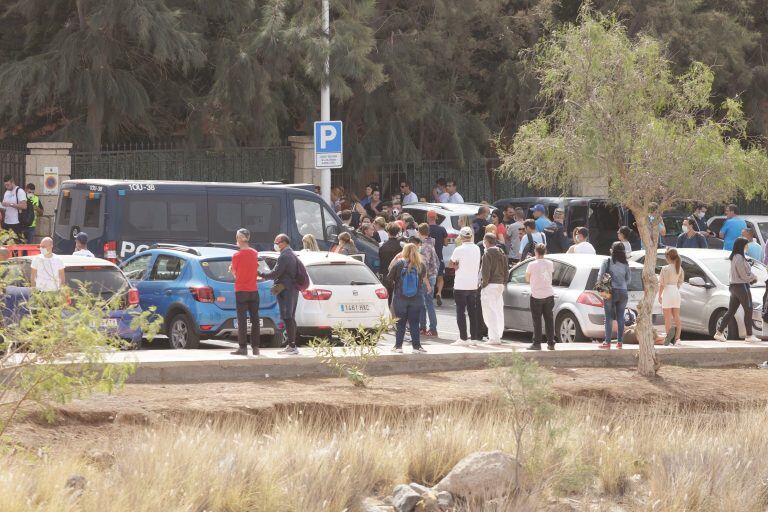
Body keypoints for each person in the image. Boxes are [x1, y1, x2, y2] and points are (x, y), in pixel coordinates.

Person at [259, 234, 301, 354]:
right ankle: (292, 345)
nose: (275, 245)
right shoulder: (291, 254)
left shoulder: (285, 256)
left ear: (284, 243)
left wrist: (261, 274)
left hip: (286, 290)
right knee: (290, 317)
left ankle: (292, 346)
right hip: (291, 289)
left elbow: (275, 273)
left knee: (288, 317)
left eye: (276, 243)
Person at [714, 237, 760, 343]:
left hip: (735, 287)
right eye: (746, 245)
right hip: (741, 286)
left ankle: (719, 333)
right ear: (741, 246)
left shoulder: (736, 257)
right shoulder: (739, 257)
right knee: (748, 309)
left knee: (731, 311)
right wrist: (753, 278)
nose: (747, 246)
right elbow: (743, 274)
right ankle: (749, 335)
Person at [387, 243, 429, 353]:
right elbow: (422, 279)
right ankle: (416, 346)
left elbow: (389, 278)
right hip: (416, 297)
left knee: (400, 323)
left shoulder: (399, 264)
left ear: (404, 252)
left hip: (400, 297)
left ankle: (398, 346)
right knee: (414, 323)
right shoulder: (421, 265)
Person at [229, 228, 261, 356]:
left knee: (242, 320)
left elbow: (235, 274)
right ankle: (256, 348)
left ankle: (243, 347)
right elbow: (255, 268)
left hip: (241, 290)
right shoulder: (254, 253)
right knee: (255, 319)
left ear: (238, 239)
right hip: (254, 290)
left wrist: (231, 268)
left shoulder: (236, 255)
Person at [448, 226, 481, 345]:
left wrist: (456, 265)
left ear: (461, 237)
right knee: (473, 312)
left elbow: (451, 264)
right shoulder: (477, 248)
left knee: (460, 312)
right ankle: (474, 338)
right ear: (471, 236)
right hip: (473, 284)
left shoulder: (459, 249)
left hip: (461, 284)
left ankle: (463, 338)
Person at [598, 242, 631, 349]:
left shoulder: (607, 261)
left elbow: (600, 276)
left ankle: (607, 342)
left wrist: (601, 288)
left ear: (612, 250)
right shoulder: (625, 264)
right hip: (623, 292)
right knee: (620, 317)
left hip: (610, 292)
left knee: (608, 317)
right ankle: (619, 342)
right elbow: (628, 280)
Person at [525, 243, 555, 351]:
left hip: (536, 295)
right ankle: (551, 343)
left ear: (535, 252)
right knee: (549, 320)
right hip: (549, 294)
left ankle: (537, 343)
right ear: (545, 252)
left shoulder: (531, 264)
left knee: (537, 321)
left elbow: (527, 279)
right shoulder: (550, 263)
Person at [480, 233, 507, 346]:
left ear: (486, 242)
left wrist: (483, 284)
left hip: (490, 285)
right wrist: (504, 282)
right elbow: (506, 270)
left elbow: (485, 272)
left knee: (489, 312)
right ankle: (498, 335)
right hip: (500, 284)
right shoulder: (501, 253)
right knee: (498, 311)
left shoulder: (487, 254)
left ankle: (494, 337)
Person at [658, 248, 684, 346]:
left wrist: (659, 295)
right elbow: (680, 281)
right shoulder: (680, 268)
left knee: (667, 318)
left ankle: (669, 340)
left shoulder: (665, 268)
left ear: (668, 257)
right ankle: (677, 339)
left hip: (668, 292)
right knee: (676, 316)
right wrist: (675, 287)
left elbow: (662, 284)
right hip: (676, 292)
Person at [417, 225, 439, 337]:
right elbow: (437, 262)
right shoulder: (431, 245)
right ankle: (426, 327)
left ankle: (429, 328)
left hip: (428, 277)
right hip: (433, 276)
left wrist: (426, 282)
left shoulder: (424, 247)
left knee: (426, 303)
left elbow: (423, 266)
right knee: (427, 303)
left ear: (419, 232)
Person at [379, 223, 404, 304]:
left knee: (386, 298)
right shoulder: (402, 245)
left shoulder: (381, 244)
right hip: (398, 274)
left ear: (388, 232)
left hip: (385, 273)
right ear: (397, 232)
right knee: (396, 297)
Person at [426, 210, 447, 306]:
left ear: (427, 217)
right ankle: (439, 293)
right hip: (439, 256)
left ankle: (429, 294)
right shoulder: (442, 229)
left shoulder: (425, 229)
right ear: (436, 217)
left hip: (428, 256)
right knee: (440, 277)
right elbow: (446, 243)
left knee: (428, 276)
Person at [1, 175, 27, 239]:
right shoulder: (6, 193)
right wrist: (2, 206)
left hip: (16, 223)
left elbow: (24, 206)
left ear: (12, 182)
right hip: (6, 222)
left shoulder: (19, 191)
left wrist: (10, 204)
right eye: (5, 185)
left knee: (16, 244)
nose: (6, 187)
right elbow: (5, 209)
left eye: (8, 185)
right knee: (6, 244)